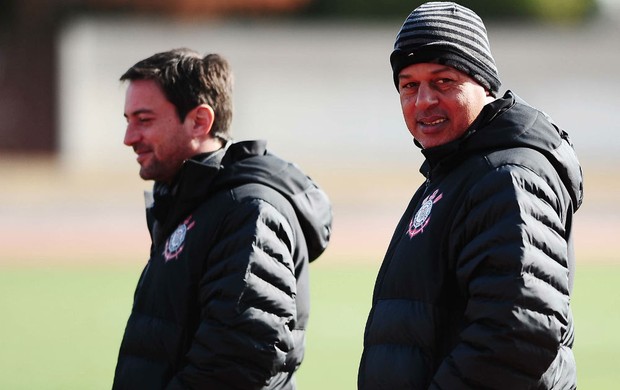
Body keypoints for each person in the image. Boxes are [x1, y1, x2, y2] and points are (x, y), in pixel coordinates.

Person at [358, 2, 583, 389]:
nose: (423, 100)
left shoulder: (507, 178)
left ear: (484, 84)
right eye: (409, 85)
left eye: (443, 80)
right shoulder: (456, 172)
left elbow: (515, 335)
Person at [112, 48, 332, 390]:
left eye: (144, 120)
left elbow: (236, 363)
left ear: (200, 121)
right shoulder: (190, 200)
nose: (129, 138)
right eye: (128, 121)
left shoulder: (248, 211)